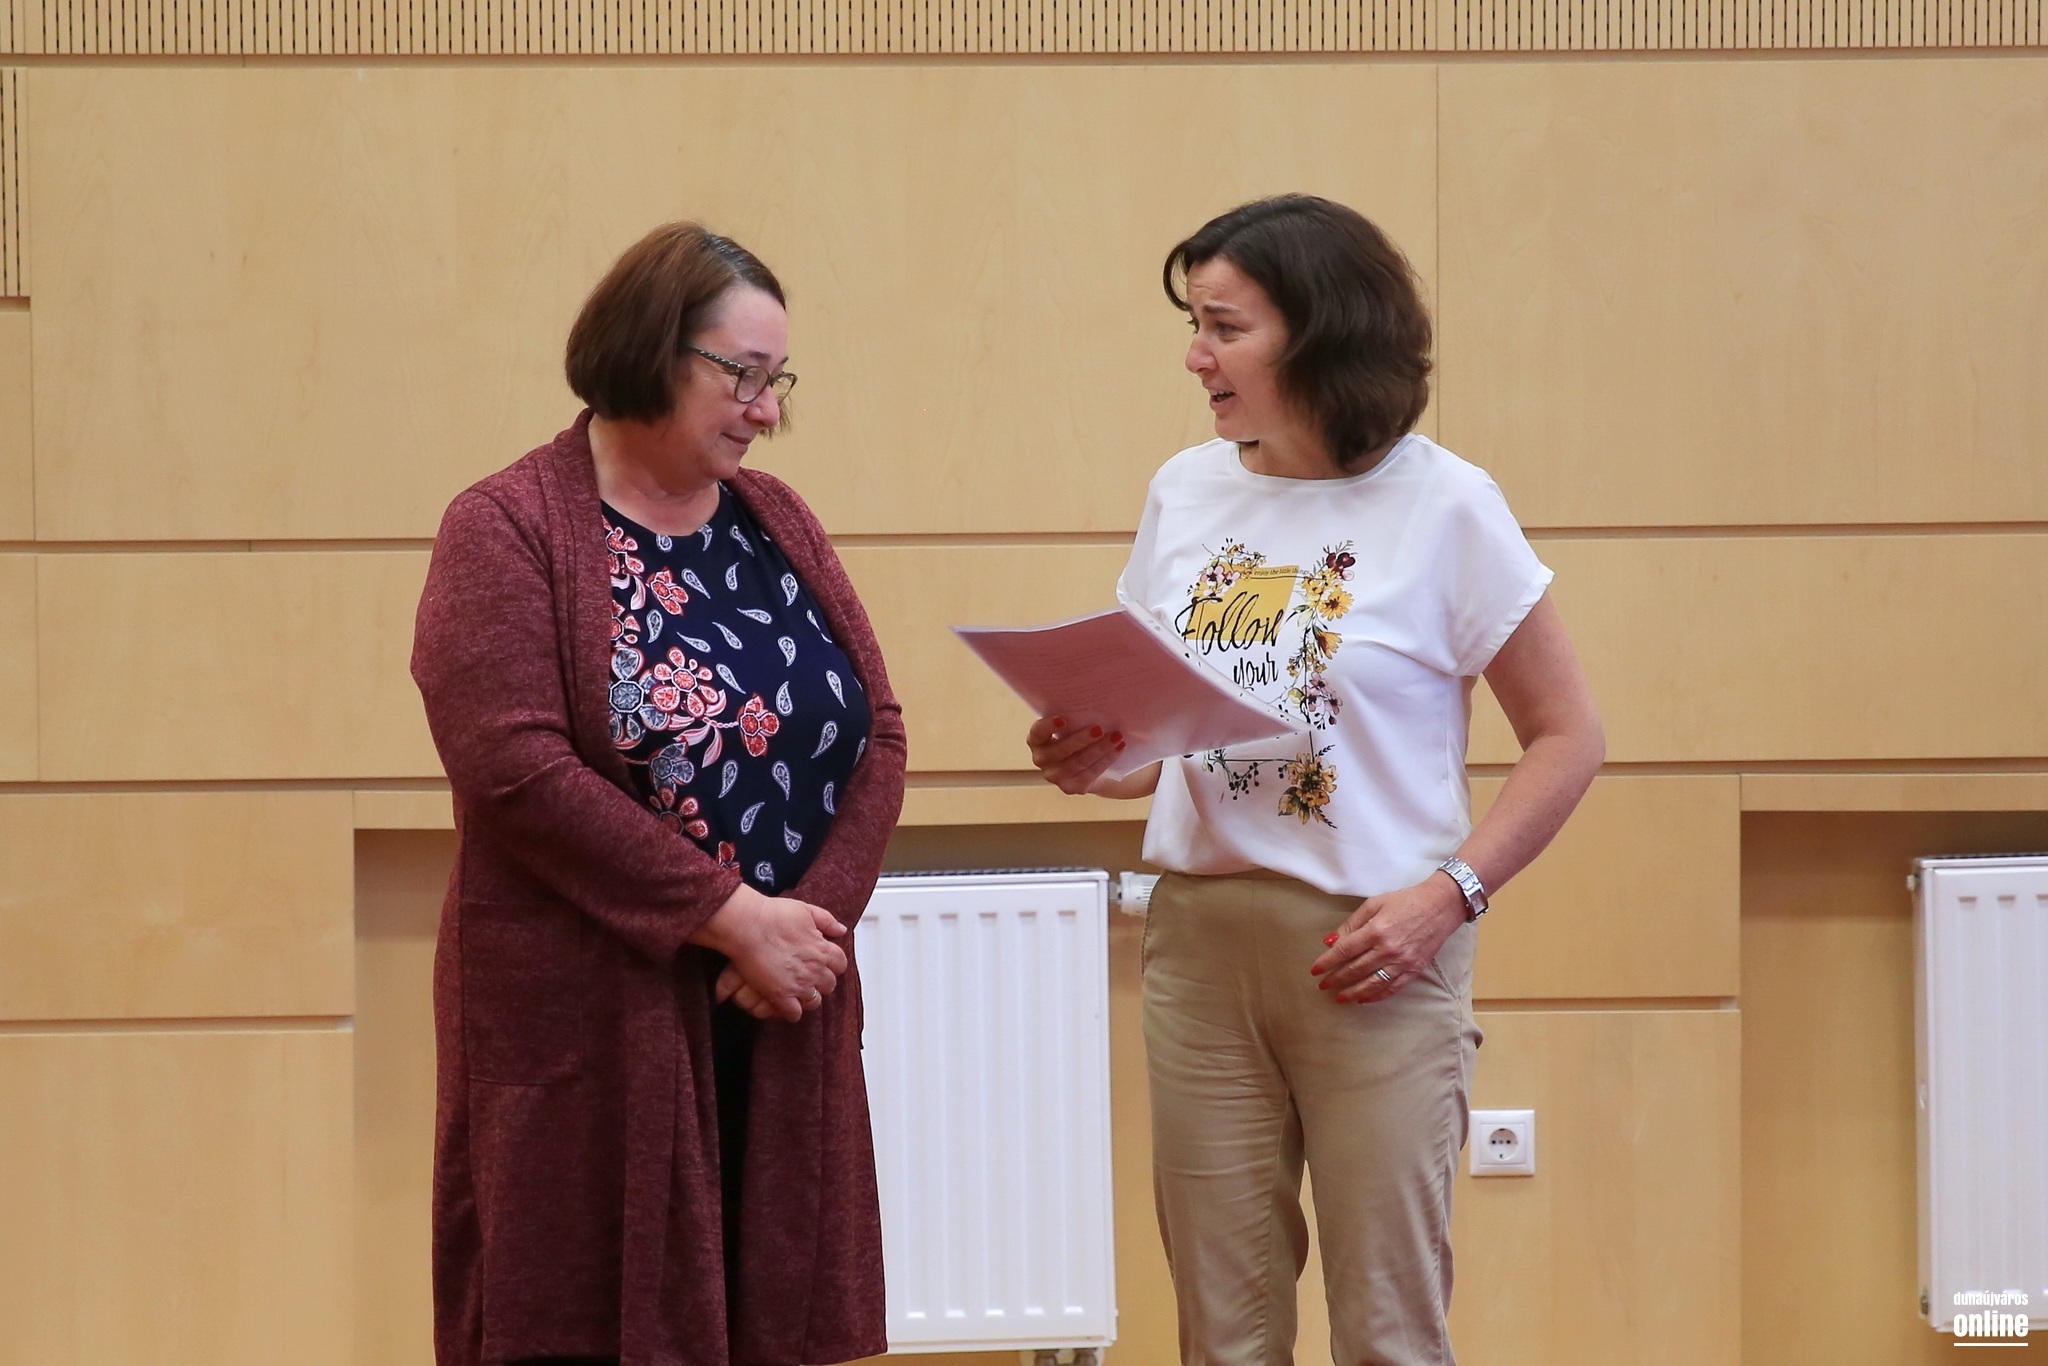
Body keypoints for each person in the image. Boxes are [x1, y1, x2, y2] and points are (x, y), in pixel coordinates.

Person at [1027, 196, 1605, 1365]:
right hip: (1198, 948)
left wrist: (1448, 895)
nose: (1195, 357)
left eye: (1224, 327)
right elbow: (1167, 740)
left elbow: (1567, 736)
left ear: (1320, 334)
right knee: (1221, 1330)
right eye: (1193, 326)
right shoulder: (1184, 490)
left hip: (1376, 952)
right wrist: (1096, 758)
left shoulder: (1445, 503)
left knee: (1385, 1328)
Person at [412, 222, 905, 1366]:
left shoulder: (778, 519)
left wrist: (803, 932)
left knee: (774, 1316)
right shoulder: (504, 525)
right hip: (594, 1018)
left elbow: (876, 732)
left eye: (777, 380)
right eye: (742, 375)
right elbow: (515, 769)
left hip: (772, 1003)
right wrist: (730, 917)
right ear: (649, 350)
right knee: (579, 1319)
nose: (765, 409)